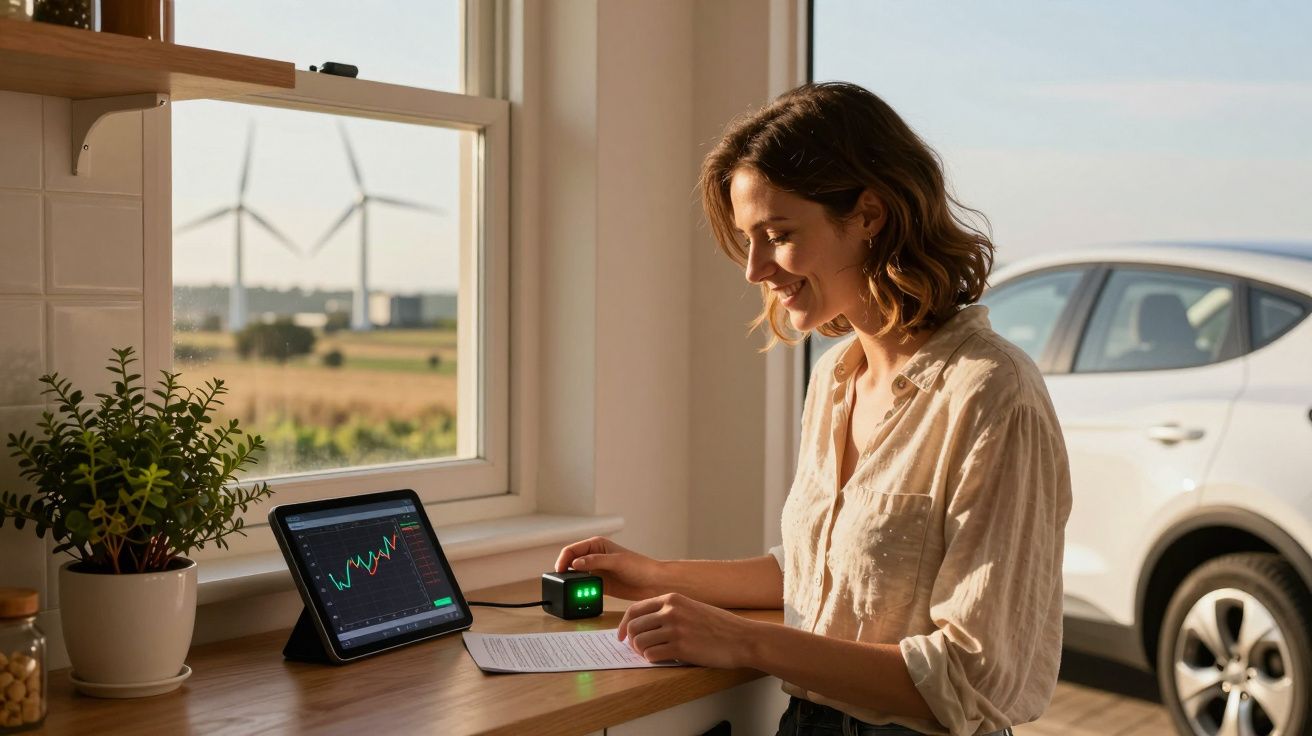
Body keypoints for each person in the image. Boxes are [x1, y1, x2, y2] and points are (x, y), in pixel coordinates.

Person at [554, 81, 1072, 736]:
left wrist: (743, 641)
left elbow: (975, 676)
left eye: (777, 234)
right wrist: (651, 573)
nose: (754, 269)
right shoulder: (834, 380)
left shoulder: (994, 395)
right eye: (748, 239)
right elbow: (818, 572)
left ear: (870, 215)